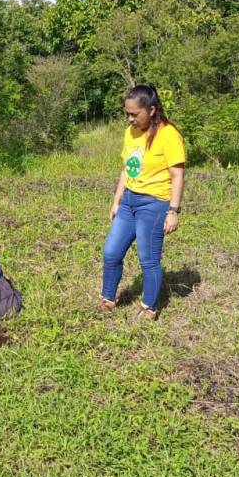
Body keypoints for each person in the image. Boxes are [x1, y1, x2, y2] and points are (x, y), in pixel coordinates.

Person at [100, 84, 186, 320]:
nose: (130, 119)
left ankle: (149, 307)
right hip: (128, 201)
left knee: (148, 259)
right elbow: (127, 169)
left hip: (154, 204)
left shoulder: (169, 135)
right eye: (127, 113)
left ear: (151, 110)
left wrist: (173, 211)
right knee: (111, 252)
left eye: (134, 114)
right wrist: (117, 200)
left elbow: (177, 175)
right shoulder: (131, 132)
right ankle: (107, 298)